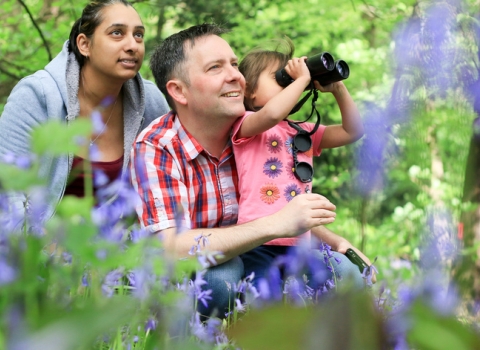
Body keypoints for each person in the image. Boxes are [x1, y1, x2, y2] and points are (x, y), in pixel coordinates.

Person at [130, 23, 364, 319]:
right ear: (179, 91)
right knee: (220, 280)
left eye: (234, 64)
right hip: (215, 264)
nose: (235, 77)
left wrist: (334, 241)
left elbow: (285, 204)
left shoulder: (277, 134)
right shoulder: (159, 146)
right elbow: (171, 246)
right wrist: (274, 225)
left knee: (343, 271)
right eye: (216, 68)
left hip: (281, 249)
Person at [0, 0, 169, 223]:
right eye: (117, 33)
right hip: (40, 247)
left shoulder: (151, 101)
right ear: (84, 45)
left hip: (117, 251)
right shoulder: (37, 95)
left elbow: (167, 181)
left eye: (138, 35)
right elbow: (7, 185)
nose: (133, 45)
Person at [235, 39, 369, 288]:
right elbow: (272, 114)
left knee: (307, 298)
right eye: (280, 77)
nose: (290, 81)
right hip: (258, 241)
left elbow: (354, 131)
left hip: (300, 243)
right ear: (249, 89)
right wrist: (300, 80)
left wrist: (337, 88)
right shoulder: (245, 124)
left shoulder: (302, 131)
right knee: (265, 298)